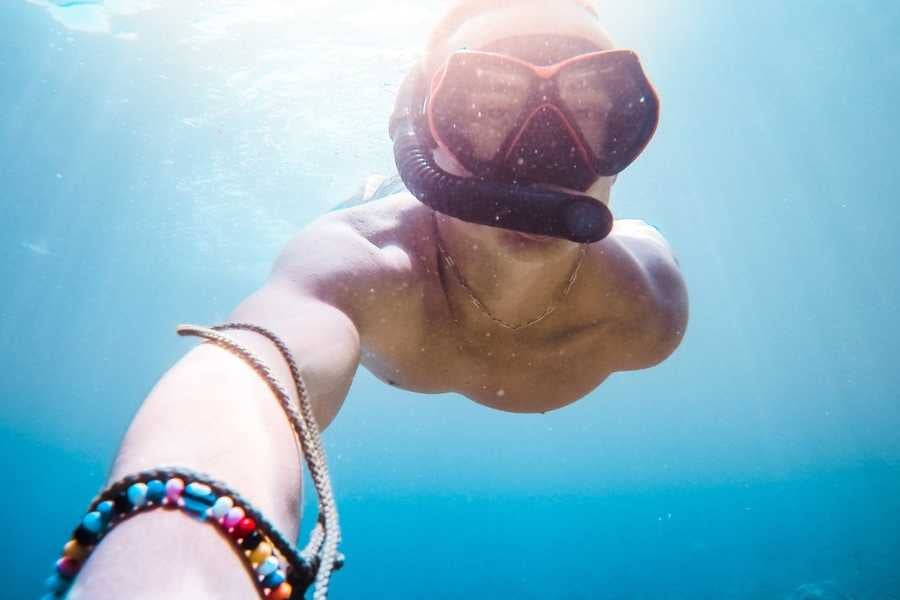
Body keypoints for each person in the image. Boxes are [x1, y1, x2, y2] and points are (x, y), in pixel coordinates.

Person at [67, 0, 688, 597]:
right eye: (488, 107)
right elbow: (257, 365)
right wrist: (180, 549)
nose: (541, 157)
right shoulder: (361, 264)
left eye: (591, 109)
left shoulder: (648, 305)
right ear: (421, 134)